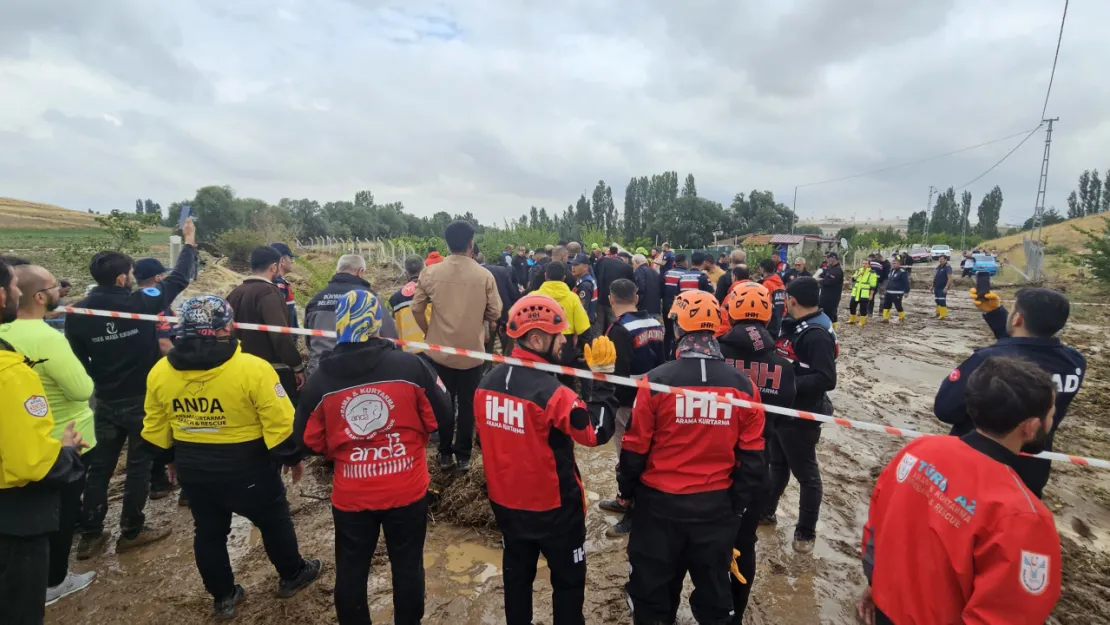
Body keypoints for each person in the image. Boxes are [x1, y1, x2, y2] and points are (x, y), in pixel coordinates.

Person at [142, 295, 321, 620]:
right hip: (248, 467)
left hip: (193, 467)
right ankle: (293, 575)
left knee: (208, 533)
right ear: (227, 326)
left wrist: (169, 458)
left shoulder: (160, 372)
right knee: (274, 521)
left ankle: (223, 597)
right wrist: (294, 458)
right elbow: (280, 423)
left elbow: (155, 425)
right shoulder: (252, 369)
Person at [860, 356, 1062, 625]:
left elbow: (877, 523)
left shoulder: (917, 451)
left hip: (886, 606)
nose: (1052, 419)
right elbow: (1008, 614)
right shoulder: (1023, 516)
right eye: (1051, 412)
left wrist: (876, 581)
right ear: (1031, 427)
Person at [296, 290, 450, 625]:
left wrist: (343, 450)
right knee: (407, 564)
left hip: (352, 495)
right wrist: (415, 438)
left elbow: (308, 438)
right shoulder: (411, 365)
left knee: (351, 569)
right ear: (377, 323)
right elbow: (442, 414)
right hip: (407, 488)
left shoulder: (319, 380)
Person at [619, 290, 765, 625]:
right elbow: (754, 457)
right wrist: (735, 506)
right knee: (715, 600)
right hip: (715, 510)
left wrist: (626, 493)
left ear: (677, 328)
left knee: (653, 599)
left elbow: (634, 447)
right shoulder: (743, 387)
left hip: (659, 509)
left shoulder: (656, 382)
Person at [475, 294, 618, 625]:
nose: (566, 342)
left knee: (517, 580)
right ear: (536, 338)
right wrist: (604, 383)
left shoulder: (486, 384)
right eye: (560, 335)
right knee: (568, 584)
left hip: (506, 505)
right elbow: (595, 433)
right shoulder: (553, 394)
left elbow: (485, 438)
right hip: (554, 510)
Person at [66, 218, 198, 560]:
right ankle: (132, 530)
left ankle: (91, 536)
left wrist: (100, 379)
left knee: (100, 468)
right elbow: (179, 279)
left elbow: (77, 356)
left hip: (107, 399)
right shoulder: (140, 302)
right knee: (138, 465)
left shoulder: (77, 311)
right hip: (141, 399)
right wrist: (189, 242)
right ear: (122, 277)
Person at [0, 263, 96, 609]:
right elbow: (81, 389)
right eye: (56, 286)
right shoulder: (46, 339)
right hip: (58, 443)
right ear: (40, 297)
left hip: (10, 451)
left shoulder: (7, 335)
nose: (61, 290)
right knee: (57, 518)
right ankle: (55, 580)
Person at [934, 287, 1085, 498]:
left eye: (1012, 310)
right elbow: (1024, 349)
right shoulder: (1075, 362)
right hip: (1031, 467)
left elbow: (946, 409)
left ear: (1017, 319)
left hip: (978, 464)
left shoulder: (987, 361)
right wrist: (997, 314)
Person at [719, 281, 797, 620]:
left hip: (713, 462)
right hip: (757, 465)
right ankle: (736, 612)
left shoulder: (715, 357)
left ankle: (709, 605)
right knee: (744, 541)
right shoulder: (783, 365)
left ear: (729, 311)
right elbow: (784, 412)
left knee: (703, 539)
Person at [412, 221, 501, 474]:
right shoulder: (484, 275)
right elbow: (496, 311)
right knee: (468, 405)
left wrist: (428, 331)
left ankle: (444, 454)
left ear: (447, 243)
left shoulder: (430, 273)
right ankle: (463, 456)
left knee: (443, 402)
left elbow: (416, 307)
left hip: (439, 353)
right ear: (471, 243)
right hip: (472, 354)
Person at [766, 277, 837, 553]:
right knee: (777, 464)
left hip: (802, 413)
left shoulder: (816, 334)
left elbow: (826, 378)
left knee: (806, 474)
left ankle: (805, 532)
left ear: (792, 300)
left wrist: (788, 384)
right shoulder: (794, 325)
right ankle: (767, 511)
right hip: (783, 410)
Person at [595, 278, 665, 537]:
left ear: (611, 300)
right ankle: (627, 500)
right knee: (647, 452)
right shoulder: (654, 324)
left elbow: (619, 373)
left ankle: (632, 509)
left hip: (629, 404)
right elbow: (664, 362)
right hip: (655, 398)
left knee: (629, 457)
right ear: (636, 298)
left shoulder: (618, 330)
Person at [227, 247, 306, 407]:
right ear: (274, 267)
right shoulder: (269, 293)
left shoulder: (234, 293)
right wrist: (297, 365)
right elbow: (280, 334)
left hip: (236, 369)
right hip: (269, 371)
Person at [133, 257, 178, 500]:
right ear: (158, 279)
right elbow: (164, 342)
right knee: (169, 424)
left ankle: (157, 480)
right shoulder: (155, 304)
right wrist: (186, 364)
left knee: (149, 427)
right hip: (161, 372)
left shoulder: (130, 301)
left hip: (136, 372)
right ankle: (164, 481)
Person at [305, 254, 399, 373]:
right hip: (359, 371)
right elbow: (390, 335)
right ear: (361, 271)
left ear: (338, 271)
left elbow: (309, 340)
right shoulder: (369, 298)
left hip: (320, 371)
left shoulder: (316, 300)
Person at [661, 254, 712, 358]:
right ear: (703, 263)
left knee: (677, 335)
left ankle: (672, 357)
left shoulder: (682, 277)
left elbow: (678, 295)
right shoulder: (703, 277)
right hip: (697, 314)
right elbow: (710, 294)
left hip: (682, 312)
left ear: (690, 262)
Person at [480, 250, 523, 356]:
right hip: (505, 308)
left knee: (489, 342)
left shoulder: (481, 271)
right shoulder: (503, 271)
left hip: (488, 311)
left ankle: (487, 365)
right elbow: (511, 290)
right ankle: (506, 359)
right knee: (506, 340)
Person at [389, 257, 431, 355]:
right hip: (433, 349)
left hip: (408, 353)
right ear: (424, 270)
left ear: (405, 273)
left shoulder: (395, 299)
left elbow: (394, 327)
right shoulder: (433, 292)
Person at [594, 251, 636, 331]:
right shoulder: (627, 267)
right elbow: (633, 286)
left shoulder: (602, 261)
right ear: (626, 259)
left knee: (598, 327)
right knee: (613, 326)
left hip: (599, 299)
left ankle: (597, 343)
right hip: (615, 301)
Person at [269, 243, 300, 330]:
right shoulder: (278, 284)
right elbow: (277, 315)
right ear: (282, 260)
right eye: (290, 258)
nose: (292, 261)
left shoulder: (276, 282)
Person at [757, 259, 786, 338]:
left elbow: (763, 305)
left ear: (762, 269)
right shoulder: (781, 284)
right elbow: (784, 304)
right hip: (778, 321)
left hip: (768, 324)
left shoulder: (766, 284)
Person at [817, 253, 844, 331]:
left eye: (828, 258)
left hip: (831, 297)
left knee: (829, 314)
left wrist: (820, 281)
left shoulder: (837, 270)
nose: (826, 260)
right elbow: (824, 276)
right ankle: (832, 329)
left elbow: (829, 282)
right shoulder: (830, 268)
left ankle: (828, 330)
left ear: (833, 258)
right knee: (830, 313)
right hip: (825, 295)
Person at [568, 253, 597, 326]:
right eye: (572, 265)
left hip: (583, 324)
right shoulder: (583, 280)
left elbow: (582, 310)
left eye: (576, 265)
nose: (573, 267)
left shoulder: (585, 285)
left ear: (585, 267)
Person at [847, 260, 878, 327]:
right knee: (852, 306)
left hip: (865, 293)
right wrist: (859, 274)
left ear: (869, 265)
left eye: (866, 264)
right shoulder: (859, 270)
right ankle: (852, 320)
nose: (864, 265)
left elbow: (873, 285)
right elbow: (853, 279)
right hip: (856, 292)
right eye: (863, 263)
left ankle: (862, 321)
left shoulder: (872, 273)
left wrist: (871, 294)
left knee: (863, 308)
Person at [880, 258, 909, 324]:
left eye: (895, 263)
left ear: (899, 264)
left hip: (897, 292)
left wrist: (906, 291)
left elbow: (906, 282)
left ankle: (901, 317)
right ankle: (885, 318)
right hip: (889, 291)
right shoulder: (891, 271)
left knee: (898, 305)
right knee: (886, 305)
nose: (893, 264)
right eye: (892, 263)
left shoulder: (902, 272)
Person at [632, 253, 661, 318]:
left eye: (633, 263)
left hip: (643, 308)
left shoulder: (639, 271)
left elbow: (640, 288)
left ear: (636, 262)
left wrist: (636, 303)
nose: (633, 266)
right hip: (655, 307)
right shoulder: (654, 272)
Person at [933, 254, 954, 319]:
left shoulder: (948, 267)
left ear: (945, 259)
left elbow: (950, 278)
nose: (940, 260)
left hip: (942, 287)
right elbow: (935, 277)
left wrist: (946, 287)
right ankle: (938, 313)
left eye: (941, 259)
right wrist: (932, 286)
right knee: (937, 300)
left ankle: (943, 315)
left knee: (942, 300)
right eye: (939, 259)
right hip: (937, 286)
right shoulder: (938, 267)